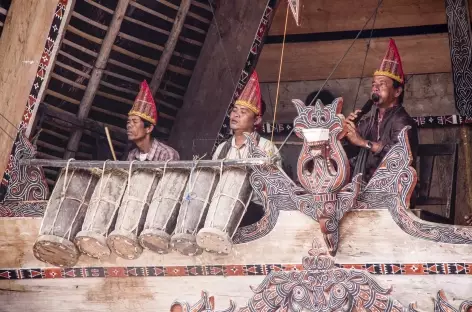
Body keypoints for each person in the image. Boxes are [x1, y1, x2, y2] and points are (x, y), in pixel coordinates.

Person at [343, 38, 419, 186]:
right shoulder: (368, 122)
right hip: (368, 188)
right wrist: (346, 132)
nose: (375, 88)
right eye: (373, 85)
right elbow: (349, 151)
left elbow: (400, 156)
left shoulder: (402, 120)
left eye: (382, 84)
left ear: (397, 92)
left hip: (396, 188)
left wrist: (363, 142)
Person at [212, 71, 282, 226]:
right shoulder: (223, 148)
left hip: (253, 210)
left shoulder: (266, 148)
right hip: (220, 206)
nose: (235, 115)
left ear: (257, 119)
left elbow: (273, 191)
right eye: (234, 110)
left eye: (243, 112)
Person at [126, 80, 180, 161]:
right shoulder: (132, 155)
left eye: (135, 121)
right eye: (128, 122)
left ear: (149, 128)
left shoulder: (167, 154)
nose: (129, 125)